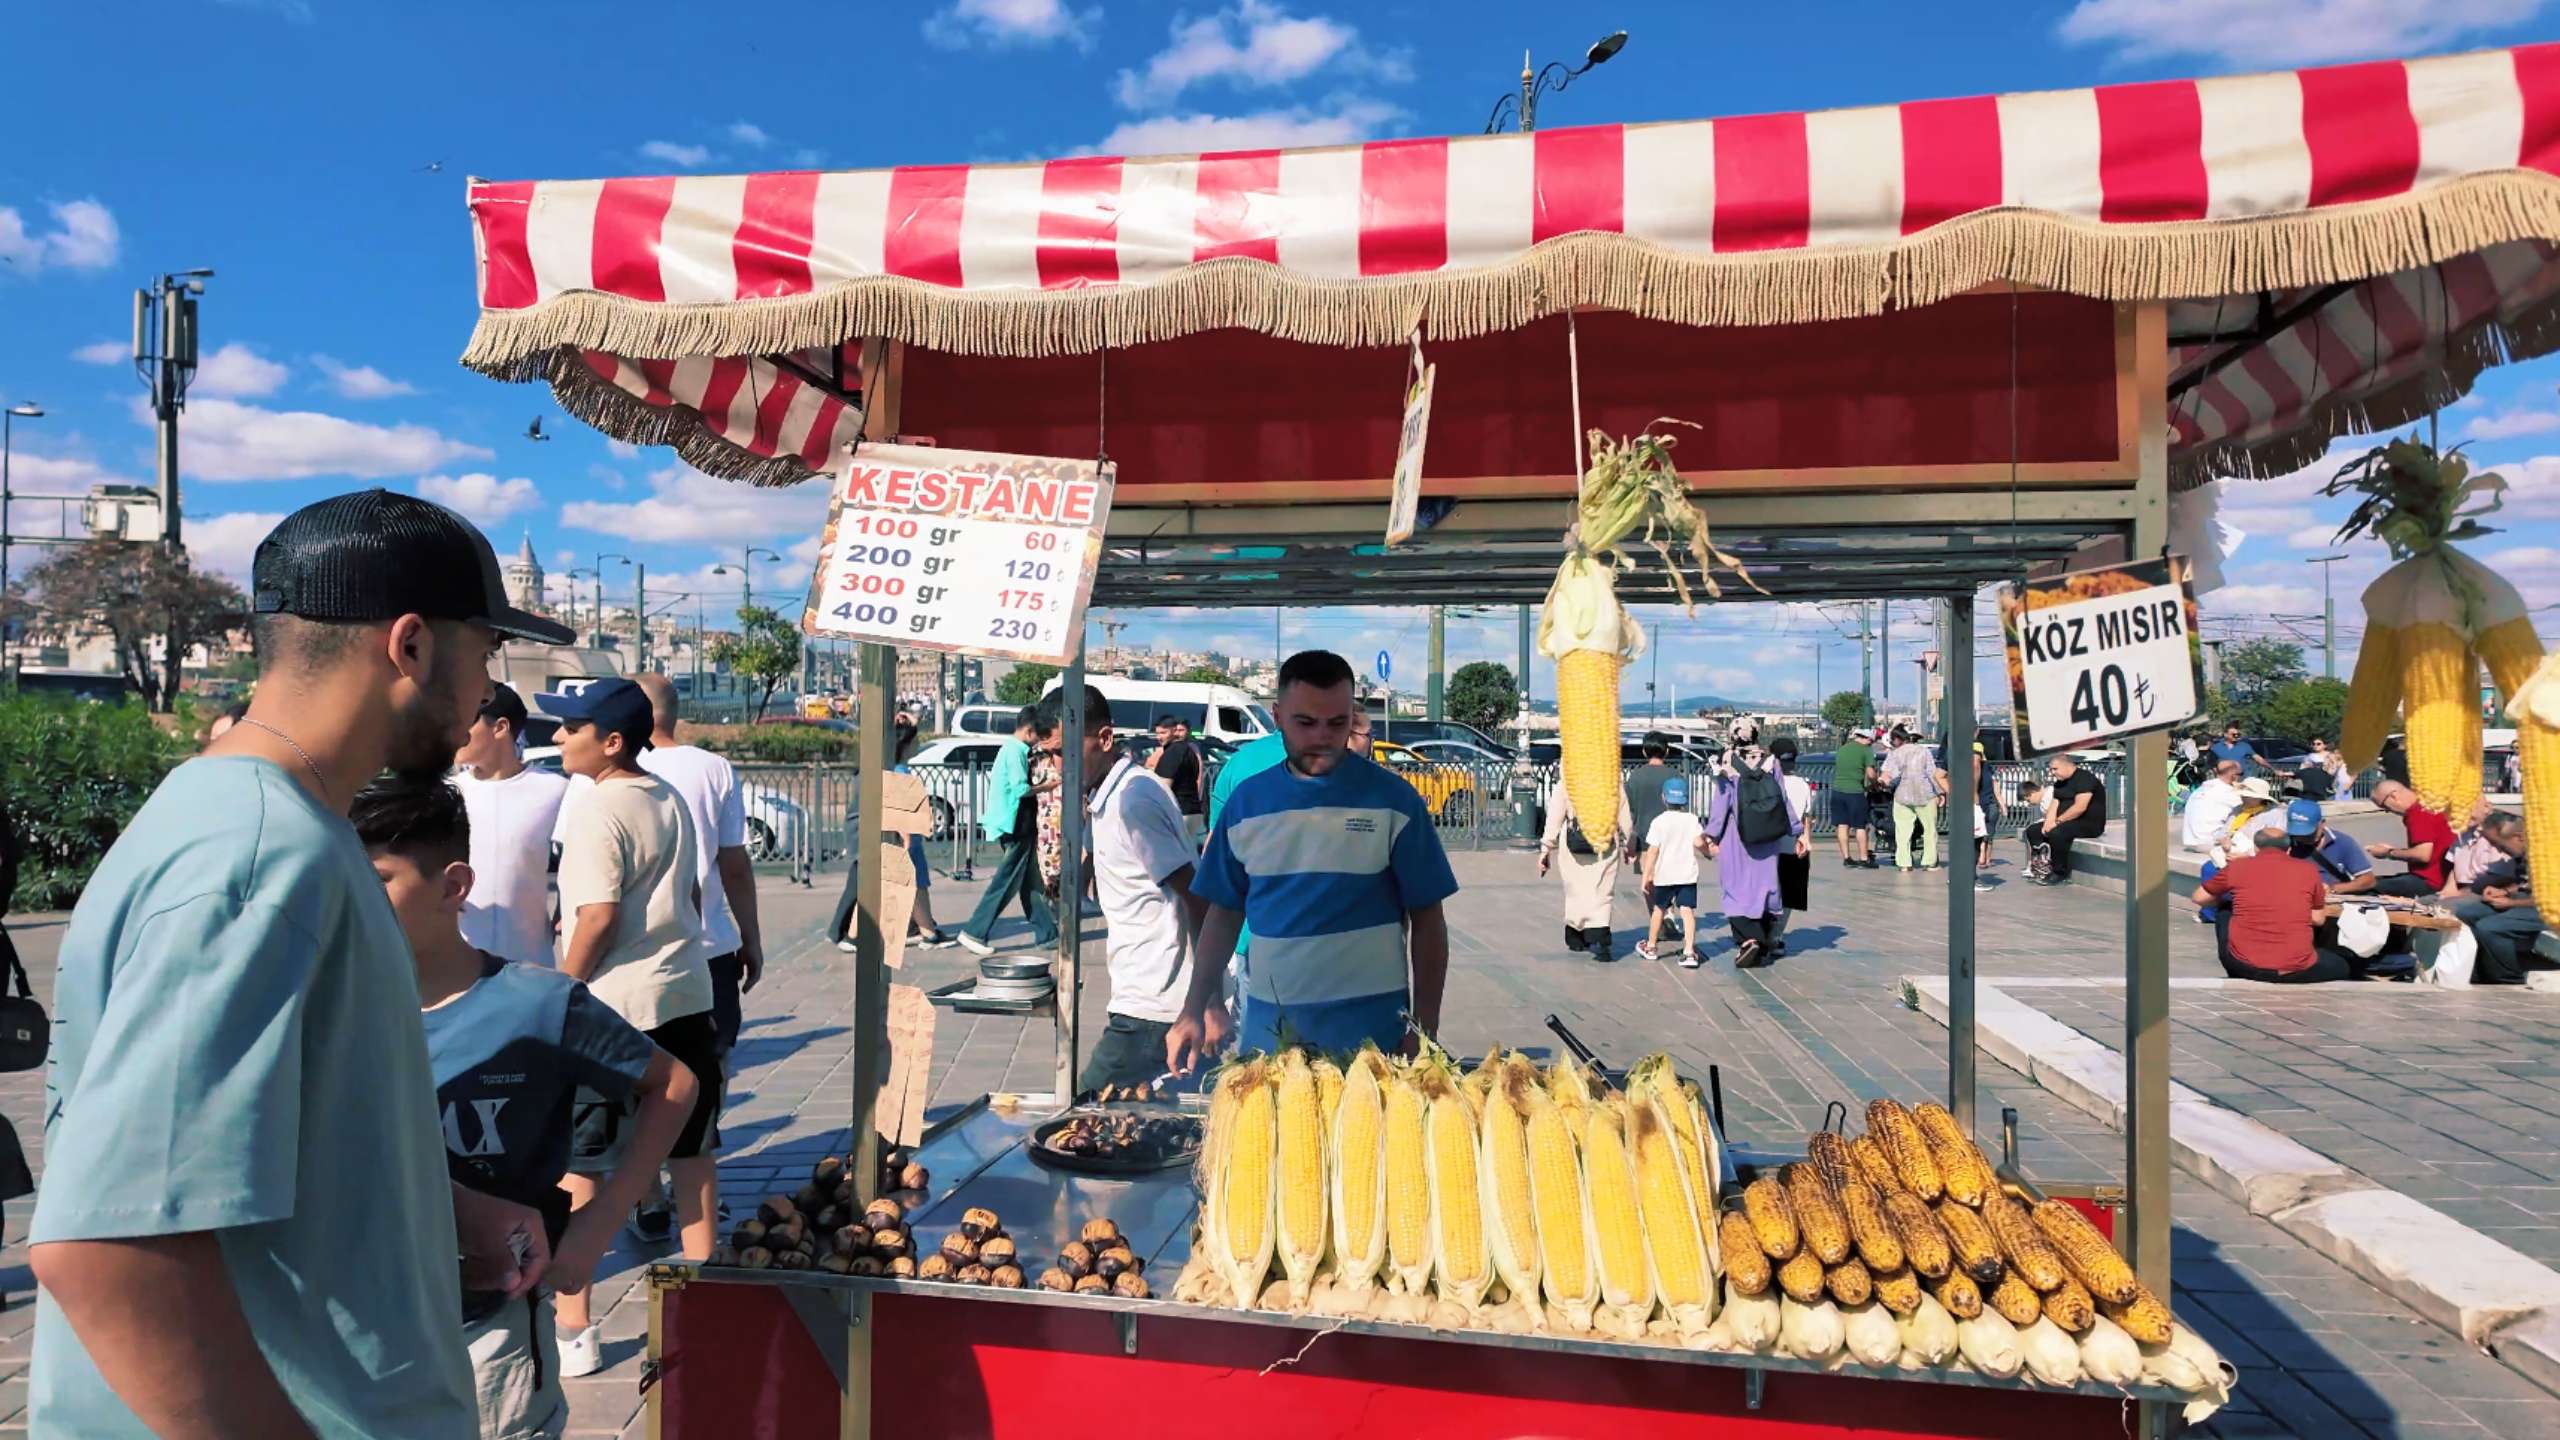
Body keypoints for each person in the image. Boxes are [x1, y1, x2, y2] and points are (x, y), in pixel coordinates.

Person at [31, 489, 567, 1439]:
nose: (489, 691)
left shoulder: (250, 821)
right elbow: (110, 1249)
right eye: (485, 653)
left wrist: (436, 1213)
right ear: (410, 646)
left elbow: (246, 1134)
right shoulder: (261, 857)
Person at [351, 775, 698, 1440]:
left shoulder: (536, 1003)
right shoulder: (330, 1010)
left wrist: (599, 1228)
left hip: (493, 1336)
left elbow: (673, 1085)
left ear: (453, 886)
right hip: (356, 1332)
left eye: (376, 880)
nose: (350, 903)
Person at [542, 676, 723, 1375]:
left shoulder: (595, 810)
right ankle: (707, 1297)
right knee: (692, 1152)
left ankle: (575, 1330)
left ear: (610, 742)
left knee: (584, 1163)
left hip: (616, 1009)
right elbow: (695, 890)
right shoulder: (667, 795)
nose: (558, 738)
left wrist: (559, 994)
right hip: (685, 992)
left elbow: (595, 917)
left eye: (570, 728)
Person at [1168, 650, 1459, 1068]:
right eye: (1305, 723)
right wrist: (1195, 1006)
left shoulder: (1396, 802)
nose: (1322, 737)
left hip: (1375, 1046)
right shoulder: (1247, 803)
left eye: (1337, 723)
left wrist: (1424, 1030)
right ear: (1277, 716)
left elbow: (1429, 920)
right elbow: (1223, 913)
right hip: (1271, 1043)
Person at [1070, 687, 1204, 1090]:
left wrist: (1205, 1000)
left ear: (1106, 739)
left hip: (1155, 999)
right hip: (1138, 990)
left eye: (1066, 751)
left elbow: (1195, 895)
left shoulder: (1134, 800)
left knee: (1086, 1116)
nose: (1060, 766)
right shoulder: (1105, 795)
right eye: (1050, 755)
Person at [630, 674, 765, 1060]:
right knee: (709, 1069)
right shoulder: (714, 768)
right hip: (708, 945)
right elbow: (734, 864)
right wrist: (750, 938)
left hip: (631, 955)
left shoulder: (601, 770)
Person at [452, 682, 572, 968]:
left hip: (530, 961)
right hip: (459, 964)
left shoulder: (555, 790)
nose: (455, 731)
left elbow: (581, 861)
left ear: (500, 727)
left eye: (467, 720)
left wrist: (566, 908)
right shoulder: (449, 793)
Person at [2194, 809, 2360, 983]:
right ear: (2288, 849)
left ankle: (2235, 970)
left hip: (2243, 965)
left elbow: (2199, 898)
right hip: (2295, 969)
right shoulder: (2308, 870)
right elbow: (2318, 919)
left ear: (2256, 847)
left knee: (2225, 910)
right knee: (2342, 963)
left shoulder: (2237, 867)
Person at [833, 717, 952, 955]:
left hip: (898, 838)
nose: (918, 742)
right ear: (905, 745)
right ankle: (927, 932)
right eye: (915, 738)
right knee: (913, 884)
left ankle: (854, 935)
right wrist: (907, 839)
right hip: (904, 840)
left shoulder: (887, 767)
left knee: (882, 888)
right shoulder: (900, 770)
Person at [956, 706, 1059, 956]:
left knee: (1031, 883)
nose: (1039, 740)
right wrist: (1048, 785)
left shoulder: (1014, 749)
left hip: (1015, 823)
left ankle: (1048, 934)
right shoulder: (1016, 751)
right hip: (1016, 824)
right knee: (1006, 882)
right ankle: (974, 931)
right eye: (1039, 735)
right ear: (1029, 731)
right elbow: (1020, 789)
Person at [1704, 721, 1808, 969]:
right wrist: (1797, 831)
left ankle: (1749, 939)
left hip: (1736, 834)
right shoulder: (1771, 761)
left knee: (1735, 887)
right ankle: (1764, 939)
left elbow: (1723, 801)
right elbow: (1782, 797)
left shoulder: (1728, 761)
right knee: (1765, 886)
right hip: (1768, 833)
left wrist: (1711, 834)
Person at [2443, 811, 2551, 984]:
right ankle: (2479, 969)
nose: (2497, 849)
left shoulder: (2549, 852)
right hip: (2531, 900)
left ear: (2518, 837)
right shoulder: (2524, 852)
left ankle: (2508, 978)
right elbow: (2529, 886)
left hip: (2549, 909)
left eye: (2498, 844)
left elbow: (2552, 898)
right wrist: (2506, 892)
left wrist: (2513, 902)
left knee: (2491, 927)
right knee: (2464, 913)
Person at [1540, 770, 1631, 965]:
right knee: (1602, 890)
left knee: (1575, 890)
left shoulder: (1568, 781)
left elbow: (1555, 815)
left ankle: (1576, 935)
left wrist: (1546, 847)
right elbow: (1624, 813)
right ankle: (1600, 935)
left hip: (1574, 842)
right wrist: (1630, 842)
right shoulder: (1612, 781)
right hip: (1605, 839)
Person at [1637, 777, 1705, 966]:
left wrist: (1646, 875)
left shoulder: (1659, 822)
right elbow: (1699, 843)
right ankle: (1689, 951)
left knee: (1659, 909)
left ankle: (1650, 947)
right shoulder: (1692, 819)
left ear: (1663, 798)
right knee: (1687, 911)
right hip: (1687, 874)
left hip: (1664, 875)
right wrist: (1709, 852)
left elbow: (1652, 851)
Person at [2023, 752, 2107, 884]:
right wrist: (2048, 822)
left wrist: (2057, 822)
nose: (2052, 773)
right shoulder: (2060, 783)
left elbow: (2080, 807)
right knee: (2033, 830)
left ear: (2067, 765)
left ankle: (2059, 873)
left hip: (2088, 824)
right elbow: (2055, 803)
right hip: (2067, 822)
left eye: (2055, 769)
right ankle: (2042, 867)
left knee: (2058, 832)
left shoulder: (2085, 779)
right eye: (2050, 769)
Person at [2369, 780, 2458, 897]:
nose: (2387, 811)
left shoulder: (2417, 812)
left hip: (2431, 882)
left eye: (2384, 806)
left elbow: (2423, 855)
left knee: (2366, 886)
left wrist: (2388, 853)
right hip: (2443, 879)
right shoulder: (2430, 805)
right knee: (2376, 882)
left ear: (2394, 797)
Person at [1880, 725, 1948, 871]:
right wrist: (1940, 793)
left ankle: (1904, 863)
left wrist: (1883, 784)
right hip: (1925, 794)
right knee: (1929, 830)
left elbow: (1887, 775)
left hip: (1902, 795)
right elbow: (1932, 773)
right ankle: (1929, 862)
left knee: (1902, 831)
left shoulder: (1894, 754)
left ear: (1898, 739)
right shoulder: (1924, 751)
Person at [1772, 736, 1817, 941]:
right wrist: (1807, 840)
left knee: (1769, 892)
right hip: (1794, 845)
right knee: (1789, 897)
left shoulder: (1768, 782)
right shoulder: (1802, 785)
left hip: (1769, 846)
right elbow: (1807, 817)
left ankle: (1762, 934)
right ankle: (1777, 937)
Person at [1148, 715, 1208, 847]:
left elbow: (1162, 790)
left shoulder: (1172, 753)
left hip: (1180, 814)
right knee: (1192, 860)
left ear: (1174, 731)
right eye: (1157, 733)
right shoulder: (1189, 750)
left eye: (1163, 732)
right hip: (1194, 813)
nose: (1159, 737)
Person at [1829, 728, 1876, 868]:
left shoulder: (1843, 749)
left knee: (1842, 825)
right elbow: (1871, 774)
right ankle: (1863, 858)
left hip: (1837, 790)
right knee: (1860, 826)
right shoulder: (1866, 750)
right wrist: (1876, 782)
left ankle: (1847, 858)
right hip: (1855, 792)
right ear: (1867, 739)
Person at [2180, 759, 2245, 852]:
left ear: (2215, 771)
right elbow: (2250, 809)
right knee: (2249, 815)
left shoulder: (2201, 788)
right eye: (2241, 774)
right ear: (2234, 776)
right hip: (2210, 843)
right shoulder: (2228, 792)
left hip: (2191, 841)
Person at [1970, 740, 1998, 891]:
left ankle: (1961, 877)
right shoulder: (1977, 763)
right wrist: (1974, 795)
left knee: (1972, 841)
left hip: (1975, 804)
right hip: (1977, 805)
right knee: (1974, 842)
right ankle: (1970, 879)